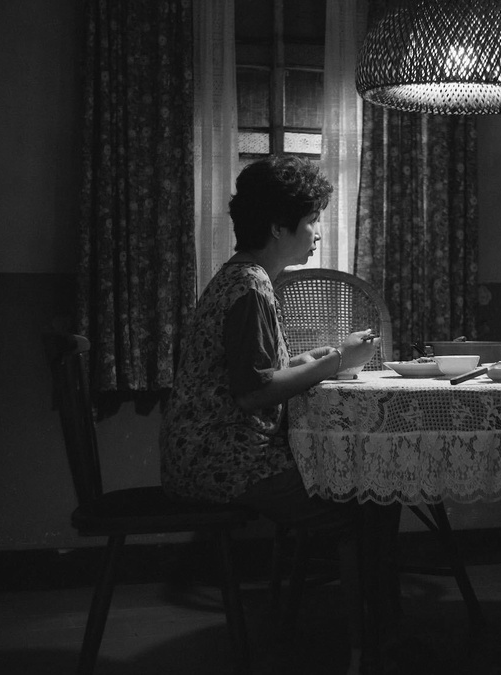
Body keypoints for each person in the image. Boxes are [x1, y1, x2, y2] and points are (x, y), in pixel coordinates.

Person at [160, 155, 379, 675]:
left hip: (204, 452)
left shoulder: (242, 277)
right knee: (361, 510)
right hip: (224, 460)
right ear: (279, 228)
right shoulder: (251, 288)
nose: (318, 234)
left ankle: (354, 629)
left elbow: (257, 370)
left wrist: (320, 357)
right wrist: (335, 361)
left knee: (356, 490)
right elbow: (254, 394)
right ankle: (368, 644)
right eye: (310, 223)